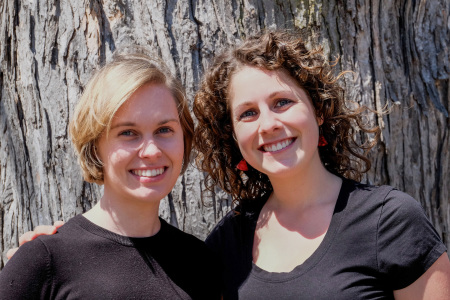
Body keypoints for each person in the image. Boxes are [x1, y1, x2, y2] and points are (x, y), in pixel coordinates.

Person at [193, 30, 450, 299]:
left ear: (318, 111)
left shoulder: (391, 221)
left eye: (282, 102)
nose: (268, 125)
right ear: (234, 137)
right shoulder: (228, 242)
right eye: (248, 113)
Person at [0, 52, 220, 299]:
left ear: (185, 138)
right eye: (128, 133)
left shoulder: (201, 262)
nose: (151, 151)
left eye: (164, 129)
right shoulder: (44, 261)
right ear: (95, 146)